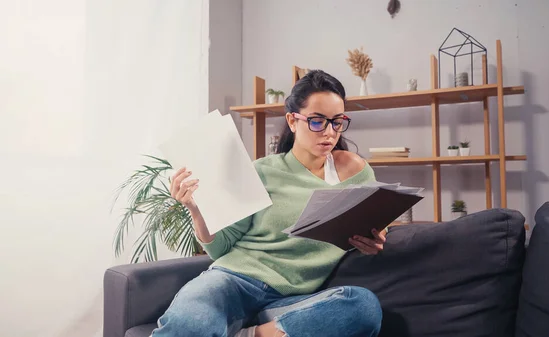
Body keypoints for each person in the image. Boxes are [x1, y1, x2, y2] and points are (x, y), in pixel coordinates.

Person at [151, 70, 386, 337]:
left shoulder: (355, 171)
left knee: (362, 306)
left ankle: (249, 333)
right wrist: (196, 209)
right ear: (293, 121)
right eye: (317, 122)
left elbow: (378, 217)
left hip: (291, 301)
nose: (329, 133)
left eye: (337, 122)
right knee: (192, 320)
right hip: (233, 281)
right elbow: (221, 247)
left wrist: (377, 236)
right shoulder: (262, 170)